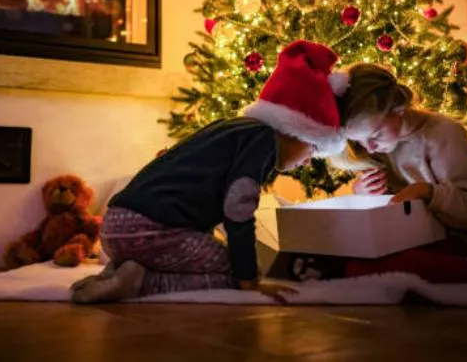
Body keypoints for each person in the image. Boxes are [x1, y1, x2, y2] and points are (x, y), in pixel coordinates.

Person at [70, 40, 351, 304]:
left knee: (209, 252)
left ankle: (115, 274)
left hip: (115, 228)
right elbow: (237, 208)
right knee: (232, 269)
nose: (307, 161)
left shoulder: (230, 128)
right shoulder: (264, 141)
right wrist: (249, 280)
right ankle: (141, 283)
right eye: (313, 149)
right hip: (149, 230)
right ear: (296, 129)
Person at [288, 63, 467, 285]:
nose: (370, 147)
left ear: (398, 109)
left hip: (451, 242)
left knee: (388, 263)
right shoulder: (371, 148)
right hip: (402, 240)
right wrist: (361, 194)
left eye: (375, 135)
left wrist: (428, 192)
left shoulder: (443, 134)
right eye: (363, 141)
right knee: (357, 255)